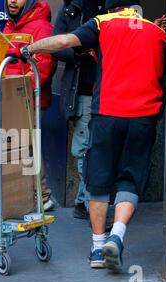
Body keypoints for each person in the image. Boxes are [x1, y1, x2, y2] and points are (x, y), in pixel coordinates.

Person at [11, 0, 166, 271]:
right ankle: (117, 236)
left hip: (108, 114)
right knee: (129, 180)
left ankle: (98, 248)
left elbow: (63, 42)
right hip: (143, 118)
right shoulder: (157, 32)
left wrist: (30, 49)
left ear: (110, 8)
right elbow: (163, 78)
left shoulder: (102, 23)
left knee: (99, 181)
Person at [3, 0, 58, 211]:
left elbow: (43, 67)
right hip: (10, 98)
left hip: (28, 99)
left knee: (29, 148)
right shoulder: (11, 25)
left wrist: (20, 90)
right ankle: (27, 194)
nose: (12, 1)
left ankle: (43, 196)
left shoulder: (42, 27)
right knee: (20, 147)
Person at [52, 0, 105, 220]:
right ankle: (84, 202)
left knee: (99, 147)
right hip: (81, 91)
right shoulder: (69, 10)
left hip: (106, 91)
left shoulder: (108, 10)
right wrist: (79, 52)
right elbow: (56, 46)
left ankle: (88, 200)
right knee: (84, 148)